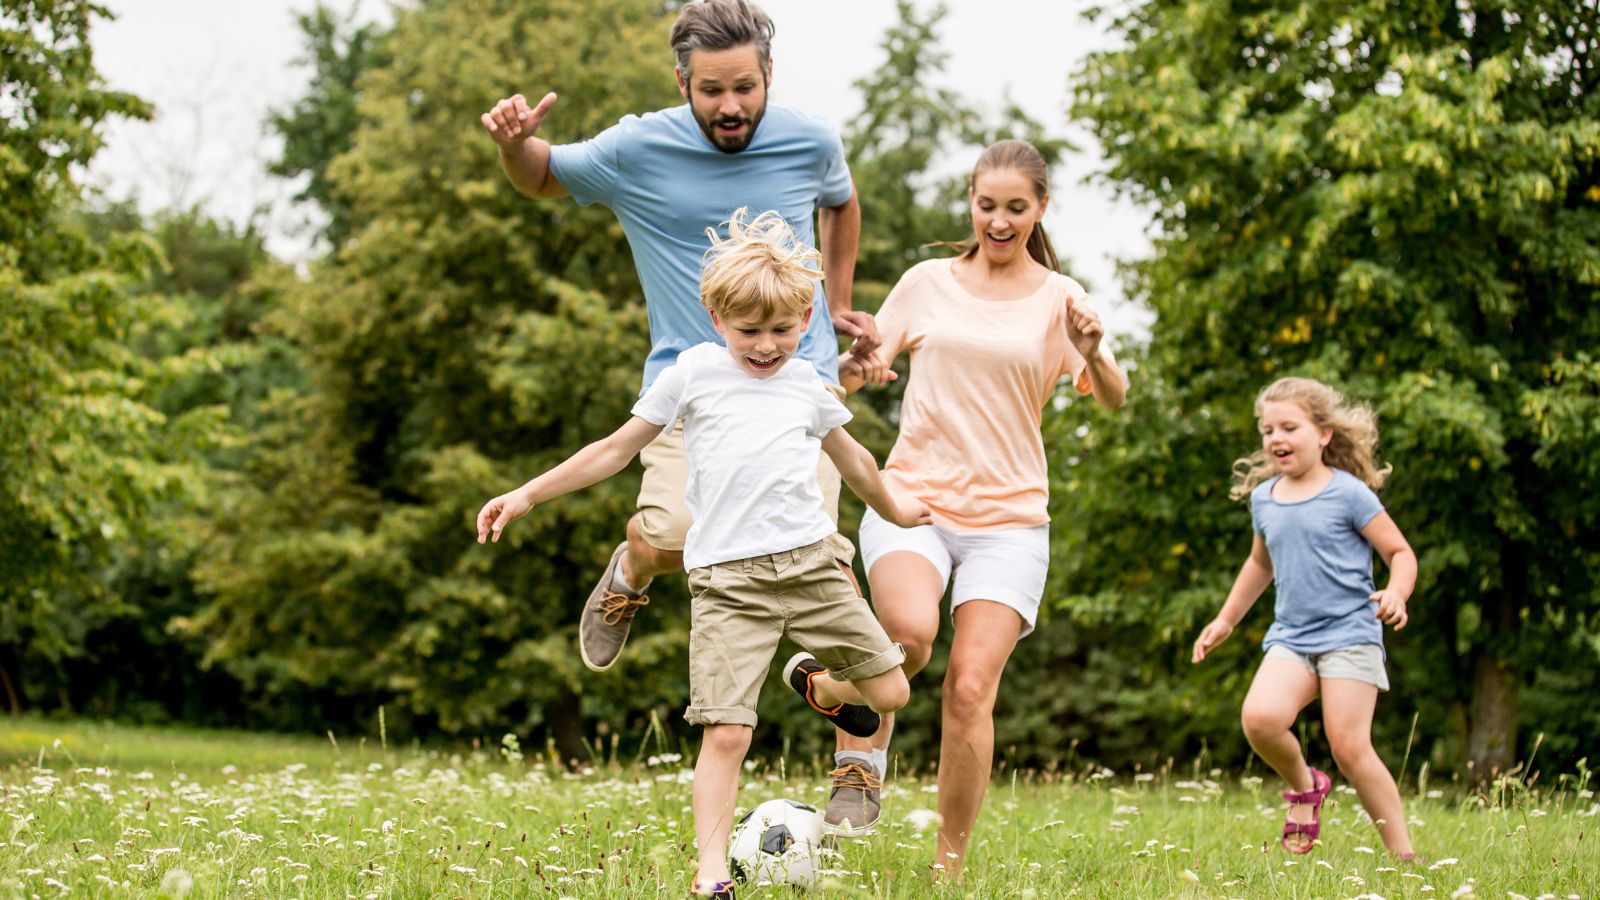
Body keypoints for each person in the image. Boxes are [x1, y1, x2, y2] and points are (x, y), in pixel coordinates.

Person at [475, 209, 926, 899]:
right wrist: (528, 493)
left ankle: (821, 687)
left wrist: (897, 510)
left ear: (806, 319)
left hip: (811, 569)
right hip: (728, 585)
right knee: (726, 733)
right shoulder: (693, 375)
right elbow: (613, 449)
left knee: (891, 691)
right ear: (716, 318)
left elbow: (856, 461)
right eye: (749, 331)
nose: (767, 346)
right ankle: (710, 873)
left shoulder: (807, 385)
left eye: (782, 330)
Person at [479, 0, 876, 674]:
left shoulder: (810, 140)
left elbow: (840, 199)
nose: (730, 106)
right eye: (712, 89)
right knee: (676, 538)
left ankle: (858, 734)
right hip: (690, 389)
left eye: (745, 87)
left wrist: (835, 303)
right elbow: (541, 176)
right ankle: (633, 564)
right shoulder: (637, 149)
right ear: (682, 81)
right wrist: (514, 145)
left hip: (799, 378)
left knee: (822, 560)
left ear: (769, 74)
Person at [801, 139, 1128, 881]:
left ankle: (947, 871)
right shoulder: (927, 283)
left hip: (1011, 522)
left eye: (1016, 207)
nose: (999, 221)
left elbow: (1112, 396)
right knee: (908, 639)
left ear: (1040, 208)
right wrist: (856, 368)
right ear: (971, 204)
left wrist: (1094, 349)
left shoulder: (1060, 299)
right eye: (987, 205)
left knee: (972, 688)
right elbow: (855, 372)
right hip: (914, 500)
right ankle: (858, 754)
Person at [1192, 376, 1419, 860]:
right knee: (1260, 719)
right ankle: (1304, 786)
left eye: (1289, 427)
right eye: (1267, 430)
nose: (1276, 438)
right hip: (1292, 636)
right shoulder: (1265, 499)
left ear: (1323, 434)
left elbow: (1399, 552)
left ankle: (1404, 857)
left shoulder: (1349, 494)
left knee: (1350, 747)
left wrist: (1397, 592)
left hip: (1350, 633)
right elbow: (1260, 565)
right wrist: (1226, 620)